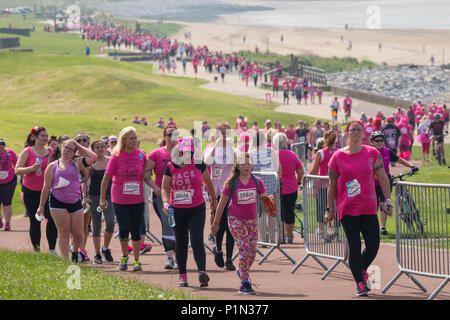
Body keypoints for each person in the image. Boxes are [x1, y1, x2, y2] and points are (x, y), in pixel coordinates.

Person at [325, 120, 392, 297]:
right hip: (347, 208)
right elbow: (332, 184)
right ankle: (360, 283)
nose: (355, 132)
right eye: (352, 130)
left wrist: (387, 199)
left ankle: (361, 268)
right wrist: (329, 209)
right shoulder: (337, 157)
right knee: (354, 246)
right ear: (347, 133)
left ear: (364, 134)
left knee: (373, 245)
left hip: (369, 206)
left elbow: (383, 177)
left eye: (359, 130)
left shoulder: (371, 152)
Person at [161, 137, 218, 287]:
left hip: (196, 208)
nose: (187, 154)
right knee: (181, 241)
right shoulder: (171, 166)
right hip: (177, 210)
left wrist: (214, 199)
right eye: (184, 151)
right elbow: (165, 188)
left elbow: (208, 182)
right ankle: (182, 275)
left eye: (190, 151)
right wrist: (166, 202)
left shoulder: (198, 164)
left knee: (197, 239)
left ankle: (202, 272)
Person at [211, 152, 267, 295]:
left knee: (253, 252)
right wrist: (216, 223)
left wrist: (270, 204)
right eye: (243, 164)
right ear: (238, 167)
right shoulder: (231, 183)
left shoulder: (257, 181)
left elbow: (264, 199)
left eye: (249, 163)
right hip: (236, 220)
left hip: (252, 220)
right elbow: (221, 205)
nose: (247, 166)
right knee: (244, 247)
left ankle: (241, 270)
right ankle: (244, 283)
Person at [99, 127, 154, 272]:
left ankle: (136, 260)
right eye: (131, 138)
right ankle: (124, 257)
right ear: (124, 140)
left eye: (136, 138)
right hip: (120, 198)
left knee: (136, 229)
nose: (135, 141)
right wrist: (102, 198)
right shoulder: (116, 156)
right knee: (123, 228)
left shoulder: (141, 155)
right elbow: (106, 178)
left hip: (137, 198)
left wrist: (157, 187)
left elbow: (148, 172)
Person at [36, 139, 97, 261]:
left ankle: (75, 251)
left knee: (78, 234)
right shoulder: (52, 166)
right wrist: (41, 206)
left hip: (75, 201)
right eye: (65, 147)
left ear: (74, 152)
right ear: (61, 148)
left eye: (70, 149)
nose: (67, 151)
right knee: (64, 231)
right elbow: (46, 187)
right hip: (57, 202)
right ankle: (66, 260)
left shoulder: (77, 163)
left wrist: (77, 145)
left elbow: (93, 157)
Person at [15, 126, 58, 254]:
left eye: (46, 136)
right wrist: (31, 168)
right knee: (35, 220)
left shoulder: (51, 151)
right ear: (35, 137)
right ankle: (37, 251)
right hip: (30, 191)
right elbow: (17, 170)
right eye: (42, 136)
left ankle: (52, 249)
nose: (45, 138)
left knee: (51, 220)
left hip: (49, 191)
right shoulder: (28, 151)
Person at [369, 131, 417, 235]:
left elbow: (399, 160)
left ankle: (383, 227)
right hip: (371, 183)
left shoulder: (387, 151)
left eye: (381, 140)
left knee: (384, 203)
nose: (380, 142)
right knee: (373, 206)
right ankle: (372, 228)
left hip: (385, 182)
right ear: (372, 142)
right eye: (377, 141)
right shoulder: (368, 153)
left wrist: (411, 166)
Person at [204, 122, 237, 271]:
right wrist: (216, 146)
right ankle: (218, 250)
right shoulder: (211, 149)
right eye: (221, 132)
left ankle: (229, 258)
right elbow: (206, 163)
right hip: (216, 193)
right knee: (219, 225)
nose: (224, 135)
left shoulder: (234, 149)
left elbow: (238, 162)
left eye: (226, 132)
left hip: (230, 191)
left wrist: (228, 146)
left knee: (230, 227)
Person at [147, 125, 178, 270]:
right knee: (168, 224)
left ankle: (180, 256)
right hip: (162, 197)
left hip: (181, 196)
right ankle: (170, 258)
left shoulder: (184, 153)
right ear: (164, 136)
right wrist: (155, 188)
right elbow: (145, 174)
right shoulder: (156, 153)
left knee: (180, 226)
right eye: (170, 134)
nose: (173, 137)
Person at [84, 140, 115, 264]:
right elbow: (84, 181)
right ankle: (97, 254)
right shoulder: (91, 163)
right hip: (94, 196)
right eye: (97, 147)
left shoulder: (110, 160)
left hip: (109, 196)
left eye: (102, 146)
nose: (100, 149)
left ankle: (105, 248)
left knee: (111, 222)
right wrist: (84, 197)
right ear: (93, 150)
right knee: (96, 225)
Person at [273, 133, 304, 243]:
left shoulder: (274, 155)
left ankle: (281, 236)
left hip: (278, 187)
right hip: (291, 186)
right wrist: (298, 181)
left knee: (280, 212)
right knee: (290, 211)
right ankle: (290, 236)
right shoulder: (292, 154)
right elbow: (301, 172)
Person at [309, 130, 339, 239]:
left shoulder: (320, 153)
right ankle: (334, 232)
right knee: (334, 208)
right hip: (336, 184)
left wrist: (306, 178)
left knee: (322, 208)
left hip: (323, 184)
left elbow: (314, 169)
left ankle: (322, 231)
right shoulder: (339, 152)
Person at [0, 139, 18, 231]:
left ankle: (7, 223)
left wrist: (16, 172)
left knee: (7, 203)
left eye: (3, 147)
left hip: (9, 181)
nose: (1, 148)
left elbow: (17, 164)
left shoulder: (10, 153)